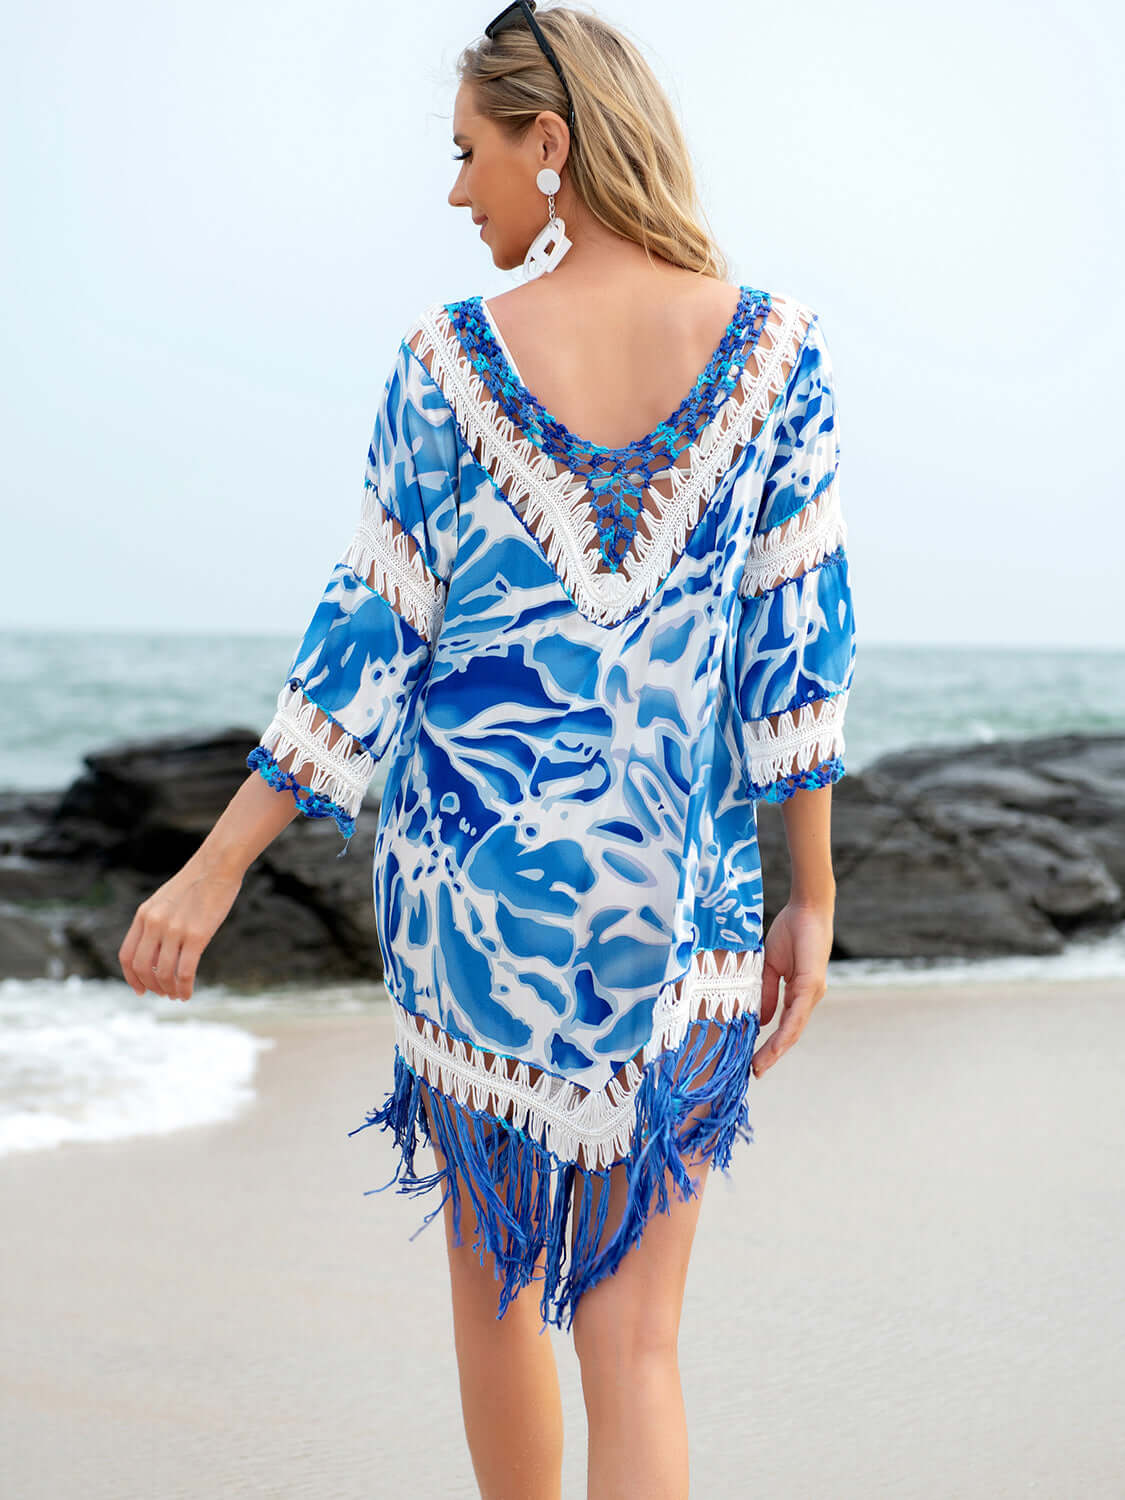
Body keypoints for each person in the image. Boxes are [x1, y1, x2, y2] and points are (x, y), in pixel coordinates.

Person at [118, 4, 857, 1496]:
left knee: (501, 1292)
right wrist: (812, 894)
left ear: (552, 143)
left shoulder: (445, 365)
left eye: (468, 153)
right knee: (638, 1343)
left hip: (475, 903)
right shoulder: (778, 353)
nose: (457, 190)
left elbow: (362, 650)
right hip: (686, 903)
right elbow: (798, 651)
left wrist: (208, 873)